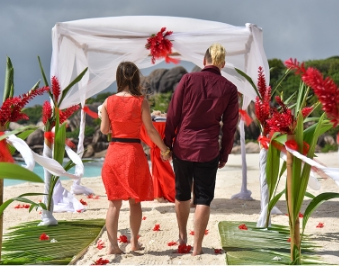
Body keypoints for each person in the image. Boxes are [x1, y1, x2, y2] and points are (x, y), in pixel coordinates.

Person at [164, 43, 239, 256]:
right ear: (222, 64)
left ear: (204, 61)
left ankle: (182, 236)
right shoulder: (230, 89)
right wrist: (224, 153)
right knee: (204, 197)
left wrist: (168, 143)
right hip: (208, 149)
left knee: (182, 193)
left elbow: (173, 113)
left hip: (183, 147)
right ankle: (197, 247)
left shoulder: (188, 79)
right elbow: (230, 126)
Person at [100, 61, 171, 254]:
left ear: (118, 78)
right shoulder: (141, 102)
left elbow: (105, 130)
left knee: (114, 203)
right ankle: (134, 243)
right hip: (133, 153)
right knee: (135, 202)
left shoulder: (108, 101)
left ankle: (113, 246)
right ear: (136, 77)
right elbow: (150, 130)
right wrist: (164, 148)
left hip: (114, 153)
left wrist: (104, 117)